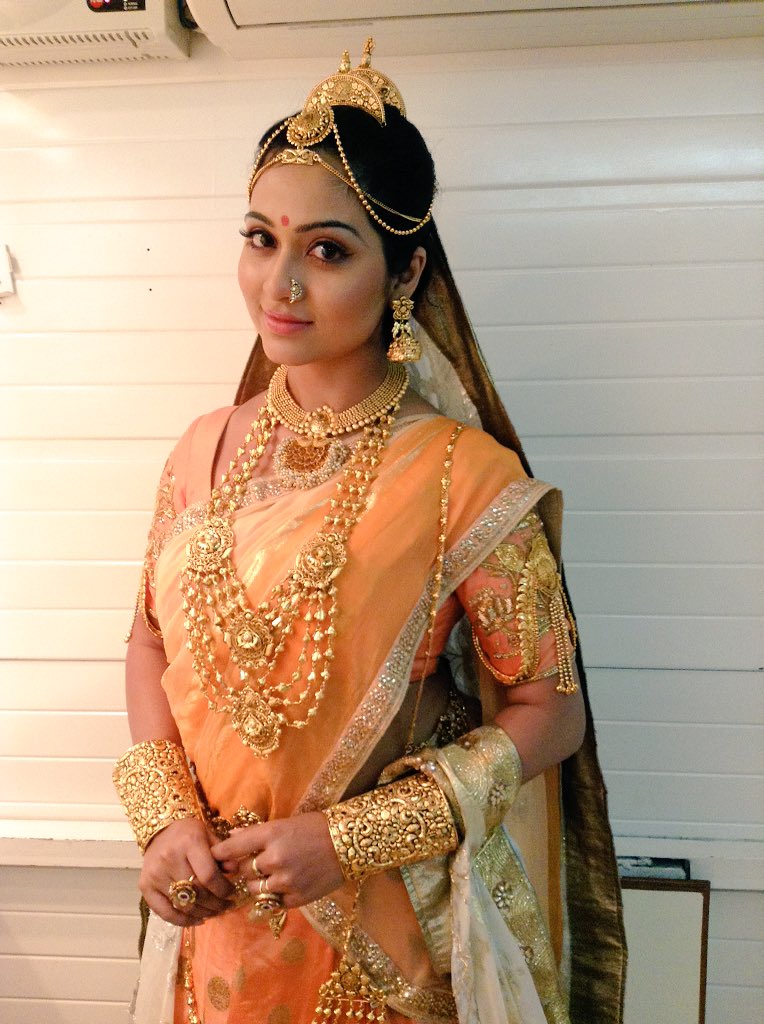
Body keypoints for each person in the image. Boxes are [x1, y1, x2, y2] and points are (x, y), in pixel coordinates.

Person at [114, 40, 626, 1024]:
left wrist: (353, 837)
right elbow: (147, 644)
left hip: (376, 952)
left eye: (327, 250)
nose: (280, 284)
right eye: (261, 238)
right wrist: (163, 819)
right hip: (214, 929)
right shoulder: (197, 453)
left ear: (406, 268)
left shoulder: (464, 475)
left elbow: (548, 711)